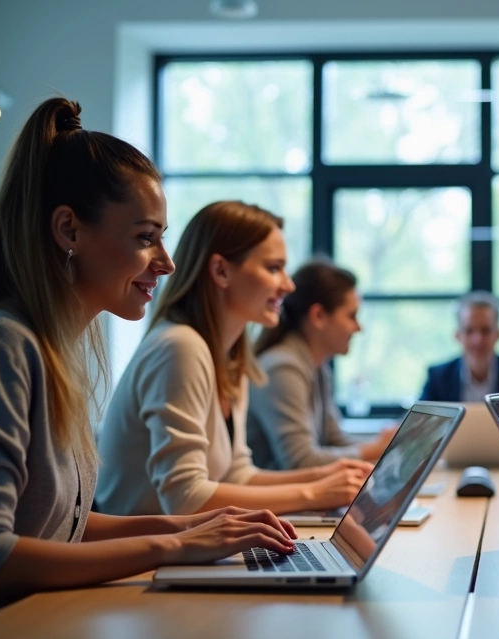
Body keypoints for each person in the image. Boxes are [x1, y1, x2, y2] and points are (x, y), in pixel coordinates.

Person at [0, 99, 294, 638]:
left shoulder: (52, 346)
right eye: (145, 237)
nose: (166, 262)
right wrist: (174, 544)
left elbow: (58, 526)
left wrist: (192, 526)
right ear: (69, 230)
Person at [96, 202, 371, 518]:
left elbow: (236, 474)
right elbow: (185, 497)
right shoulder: (180, 346)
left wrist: (325, 476)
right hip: (143, 546)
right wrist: (314, 493)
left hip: (182, 541)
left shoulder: (231, 356)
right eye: (274, 268)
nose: (288, 285)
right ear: (221, 271)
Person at [247, 260, 395, 470]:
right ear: (318, 316)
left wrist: (385, 446)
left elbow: (334, 441)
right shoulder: (282, 368)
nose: (359, 327)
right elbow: (301, 461)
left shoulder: (316, 367)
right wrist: (377, 448)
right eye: (352, 316)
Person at [420, 291, 499, 438]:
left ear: (498, 334)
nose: (477, 340)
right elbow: (421, 430)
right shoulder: (438, 376)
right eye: (469, 331)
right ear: (458, 335)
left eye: (485, 330)